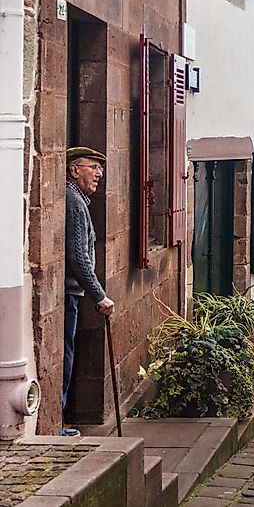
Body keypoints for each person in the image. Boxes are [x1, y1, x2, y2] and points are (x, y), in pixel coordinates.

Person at [63, 147, 114, 436]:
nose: (99, 174)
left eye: (100, 168)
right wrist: (100, 295)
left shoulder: (78, 200)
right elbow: (78, 258)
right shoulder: (74, 201)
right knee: (66, 356)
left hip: (75, 292)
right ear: (74, 169)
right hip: (71, 293)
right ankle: (58, 421)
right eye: (93, 167)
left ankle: (61, 419)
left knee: (69, 354)